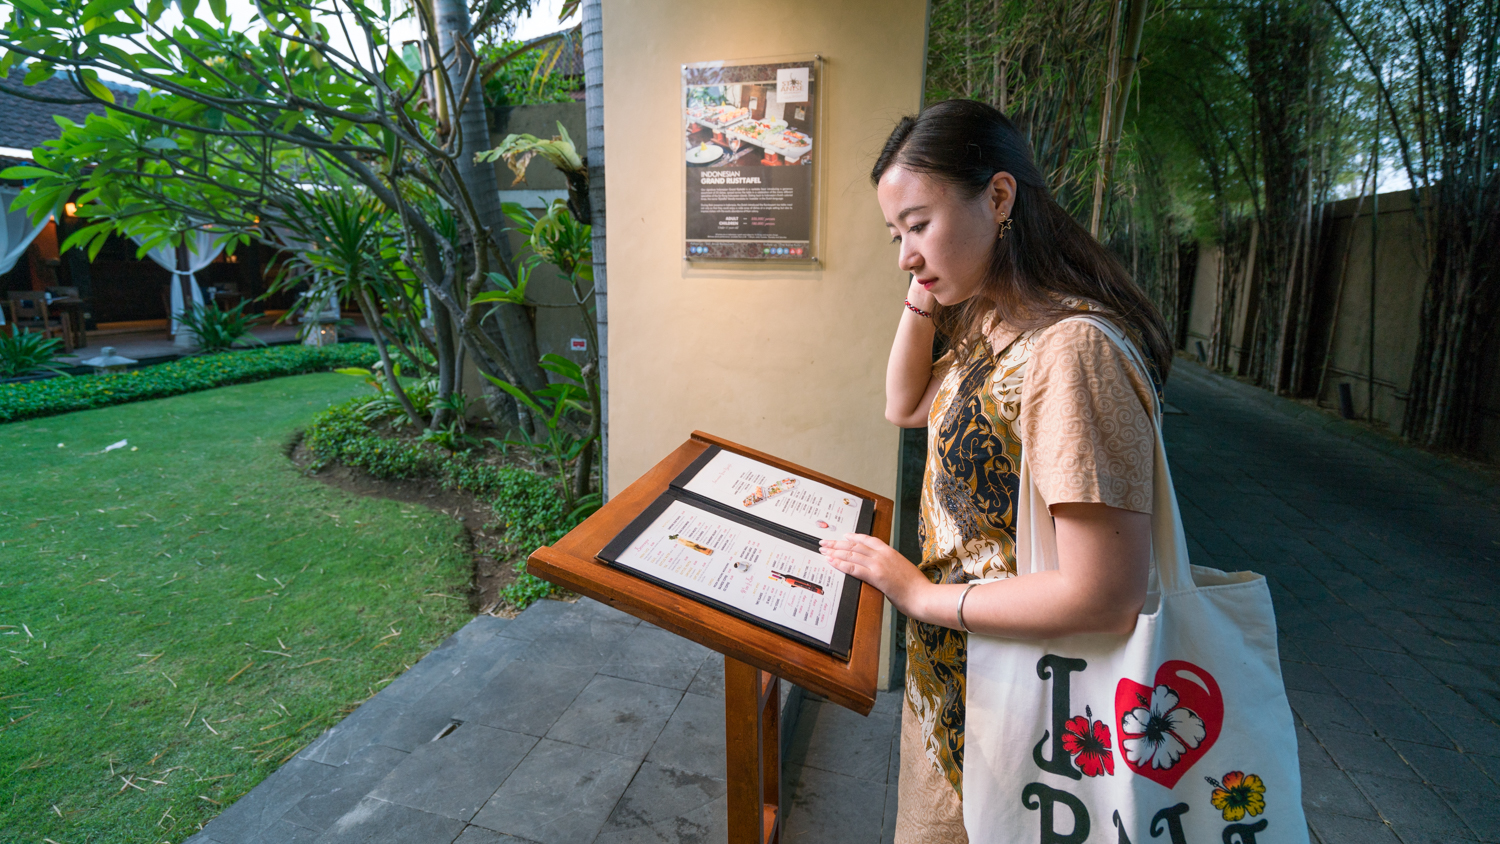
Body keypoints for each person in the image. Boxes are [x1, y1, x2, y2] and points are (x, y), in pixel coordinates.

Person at [818, 100, 1174, 843]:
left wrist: (919, 595)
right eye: (896, 234)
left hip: (1028, 711)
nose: (904, 253)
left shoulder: (1072, 351)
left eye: (918, 224)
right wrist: (928, 275)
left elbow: (1107, 596)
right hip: (954, 694)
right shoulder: (991, 322)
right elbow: (904, 402)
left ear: (1000, 197)